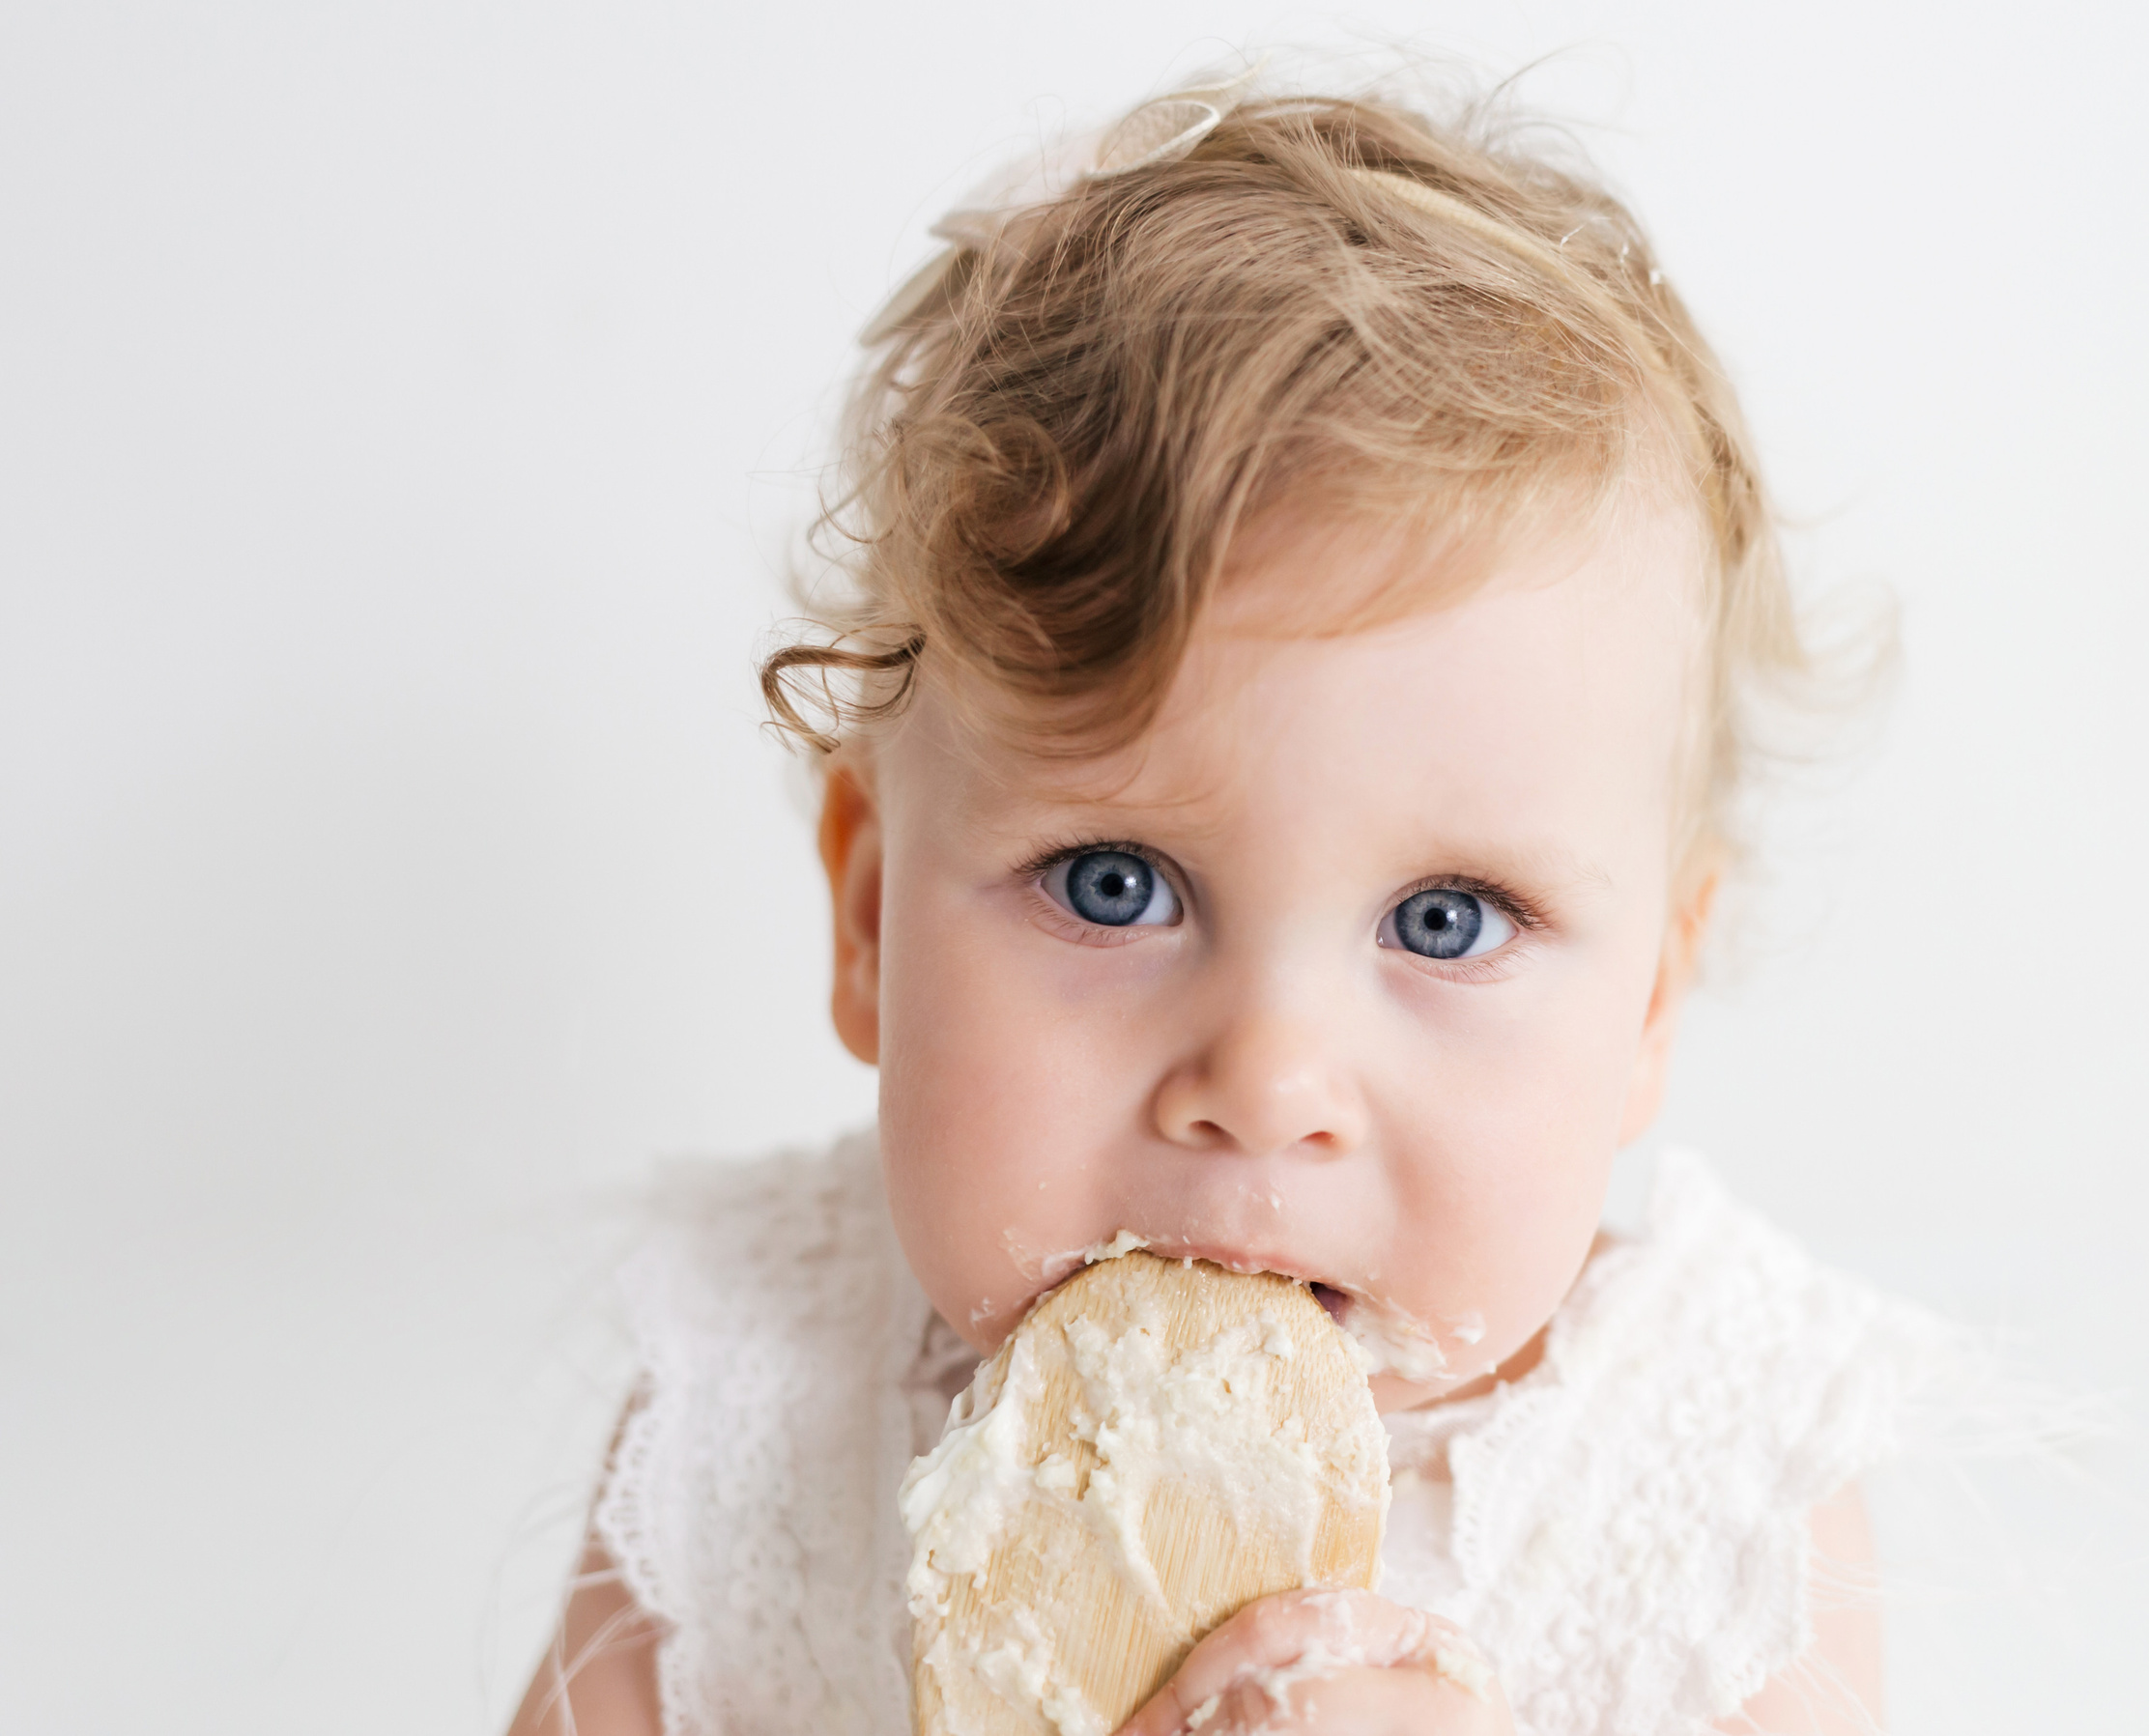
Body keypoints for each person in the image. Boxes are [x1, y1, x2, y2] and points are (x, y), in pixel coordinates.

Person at [510, 64, 1967, 1736]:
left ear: (1646, 1006)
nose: (1268, 1079)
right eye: (1115, 885)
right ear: (869, 921)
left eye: (1445, 921)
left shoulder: (1703, 1503)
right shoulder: (759, 1404)